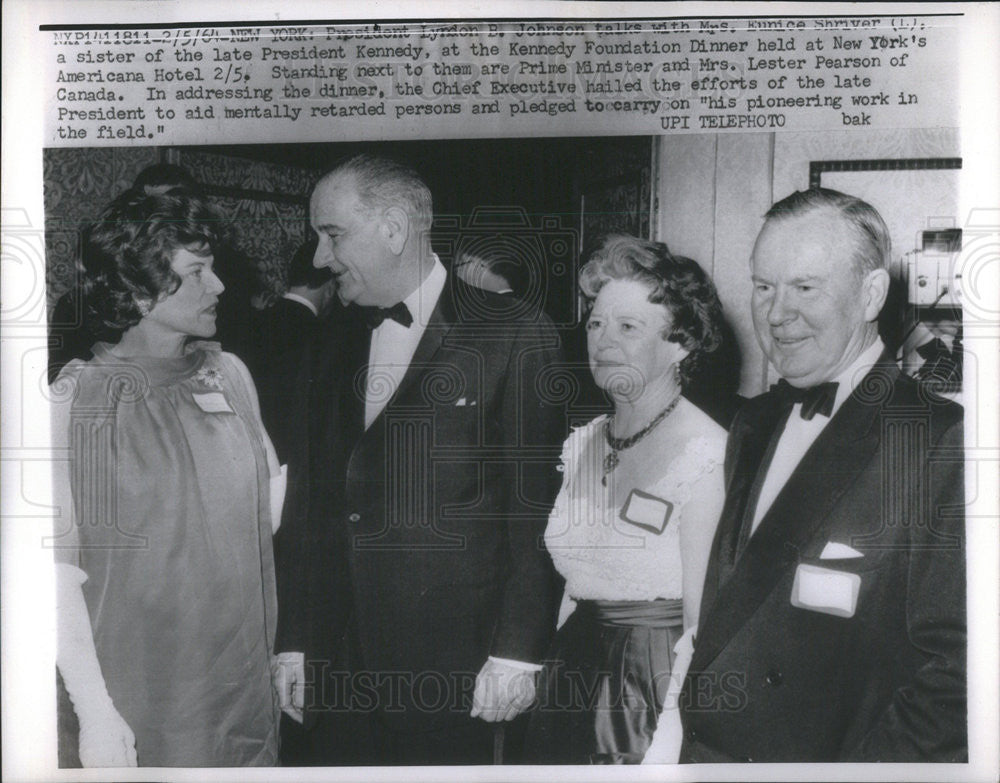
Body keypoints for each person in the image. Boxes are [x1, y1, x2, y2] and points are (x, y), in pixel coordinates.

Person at [272, 154, 566, 765]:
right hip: (339, 666)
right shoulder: (329, 338)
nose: (321, 259)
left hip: (455, 672)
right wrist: (297, 640)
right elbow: (310, 499)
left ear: (395, 228)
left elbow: (535, 511)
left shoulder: (514, 332)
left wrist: (516, 652)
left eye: (332, 234)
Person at [680, 188, 966, 762]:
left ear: (870, 295)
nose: (776, 313)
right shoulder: (752, 423)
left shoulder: (937, 437)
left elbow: (957, 675)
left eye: (805, 287)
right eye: (764, 287)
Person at [51, 187, 284, 767]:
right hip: (141, 698)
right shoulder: (72, 401)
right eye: (197, 272)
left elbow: (268, 514)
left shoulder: (231, 374)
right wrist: (94, 712)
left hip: (242, 692)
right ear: (138, 289)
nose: (220, 287)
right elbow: (52, 576)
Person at [522, 235, 728, 764]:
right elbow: (576, 585)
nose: (602, 340)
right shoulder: (582, 441)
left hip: (652, 692)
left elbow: (705, 627)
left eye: (627, 327)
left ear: (680, 343)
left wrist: (673, 740)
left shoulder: (707, 454)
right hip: (570, 678)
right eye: (595, 323)